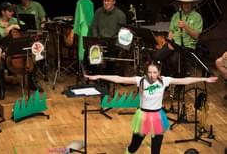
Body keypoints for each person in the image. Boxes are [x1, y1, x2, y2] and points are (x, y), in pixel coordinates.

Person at [84, 61, 217, 154]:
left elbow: (184, 80)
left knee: (156, 150)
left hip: (158, 117)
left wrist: (204, 80)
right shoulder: (140, 80)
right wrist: (99, 76)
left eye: (154, 72)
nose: (152, 75)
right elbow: (119, 78)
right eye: (150, 72)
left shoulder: (164, 80)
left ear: (159, 72)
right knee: (134, 146)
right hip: (143, 117)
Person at [0, 2, 43, 100]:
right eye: (9, 11)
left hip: (16, 48)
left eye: (13, 11)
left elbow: (27, 27)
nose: (12, 13)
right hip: (3, 51)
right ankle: (1, 88)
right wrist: (3, 49)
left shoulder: (14, 20)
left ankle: (32, 82)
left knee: (31, 56)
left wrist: (14, 26)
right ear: (3, 12)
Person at [153, 0, 203, 77]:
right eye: (184, 3)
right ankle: (167, 77)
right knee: (156, 56)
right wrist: (169, 42)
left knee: (174, 60)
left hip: (187, 47)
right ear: (181, 4)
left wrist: (186, 26)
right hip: (174, 44)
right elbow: (171, 31)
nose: (186, 5)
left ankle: (179, 84)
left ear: (192, 4)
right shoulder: (176, 15)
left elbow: (196, 36)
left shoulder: (197, 17)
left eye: (188, 3)